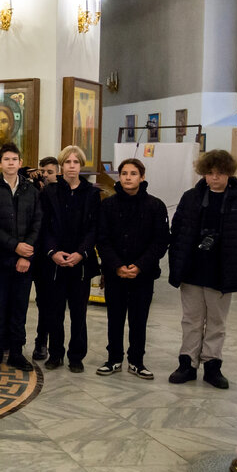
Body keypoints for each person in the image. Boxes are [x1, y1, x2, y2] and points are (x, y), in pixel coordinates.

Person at [167, 150, 237, 389]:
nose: (214, 178)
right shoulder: (191, 197)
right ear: (203, 174)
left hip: (223, 270)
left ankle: (212, 365)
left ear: (229, 173)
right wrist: (178, 262)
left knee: (217, 321)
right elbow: (177, 231)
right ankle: (187, 362)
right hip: (193, 268)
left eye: (219, 173)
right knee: (191, 319)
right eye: (210, 173)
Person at [96, 158, 169, 379]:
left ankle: (136, 360)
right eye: (125, 173)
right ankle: (114, 358)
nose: (128, 177)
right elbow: (102, 239)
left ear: (142, 177)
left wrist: (139, 266)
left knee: (139, 319)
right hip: (115, 272)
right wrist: (117, 265)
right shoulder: (107, 205)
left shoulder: (155, 205)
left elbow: (161, 240)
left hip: (142, 274)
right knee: (115, 318)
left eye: (133, 173)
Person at [0, 142, 42, 371]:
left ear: (20, 163)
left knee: (19, 308)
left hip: (25, 261)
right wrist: (15, 246)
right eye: (6, 159)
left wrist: (26, 253)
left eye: (14, 159)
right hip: (1, 260)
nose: (11, 163)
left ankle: (16, 352)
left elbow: (37, 223)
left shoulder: (31, 191)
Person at [37, 146, 101, 372]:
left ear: (80, 165)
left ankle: (76, 356)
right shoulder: (49, 192)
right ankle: (55, 353)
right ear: (61, 166)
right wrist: (53, 252)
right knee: (54, 310)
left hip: (79, 262)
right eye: (68, 162)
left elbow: (94, 228)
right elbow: (44, 226)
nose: (72, 166)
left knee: (78, 312)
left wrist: (81, 253)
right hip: (55, 261)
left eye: (76, 162)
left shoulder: (92, 193)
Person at [31, 155, 59, 361]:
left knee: (45, 302)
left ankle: (42, 341)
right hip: (30, 252)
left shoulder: (59, 194)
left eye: (50, 172)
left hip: (47, 255)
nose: (46, 176)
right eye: (44, 172)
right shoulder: (34, 190)